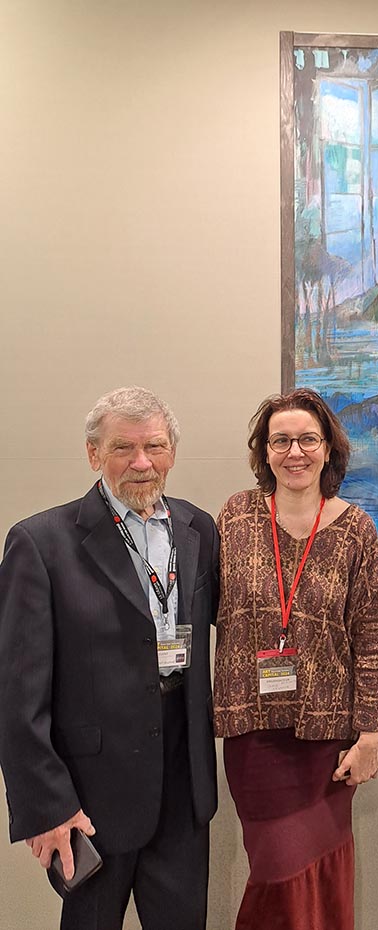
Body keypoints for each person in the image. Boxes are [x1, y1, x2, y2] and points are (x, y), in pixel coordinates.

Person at [0, 386, 219, 930]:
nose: (142, 463)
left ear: (172, 451)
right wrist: (45, 804)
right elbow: (16, 692)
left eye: (155, 446)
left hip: (183, 785)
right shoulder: (40, 543)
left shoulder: (198, 531)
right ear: (94, 455)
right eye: (124, 448)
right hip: (91, 797)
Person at [214, 387, 378, 930]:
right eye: (281, 440)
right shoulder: (236, 517)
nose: (295, 451)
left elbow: (371, 633)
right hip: (252, 732)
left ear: (328, 449)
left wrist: (369, 736)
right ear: (264, 452)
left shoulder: (356, 528)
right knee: (276, 869)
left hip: (327, 739)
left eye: (307, 439)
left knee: (320, 869)